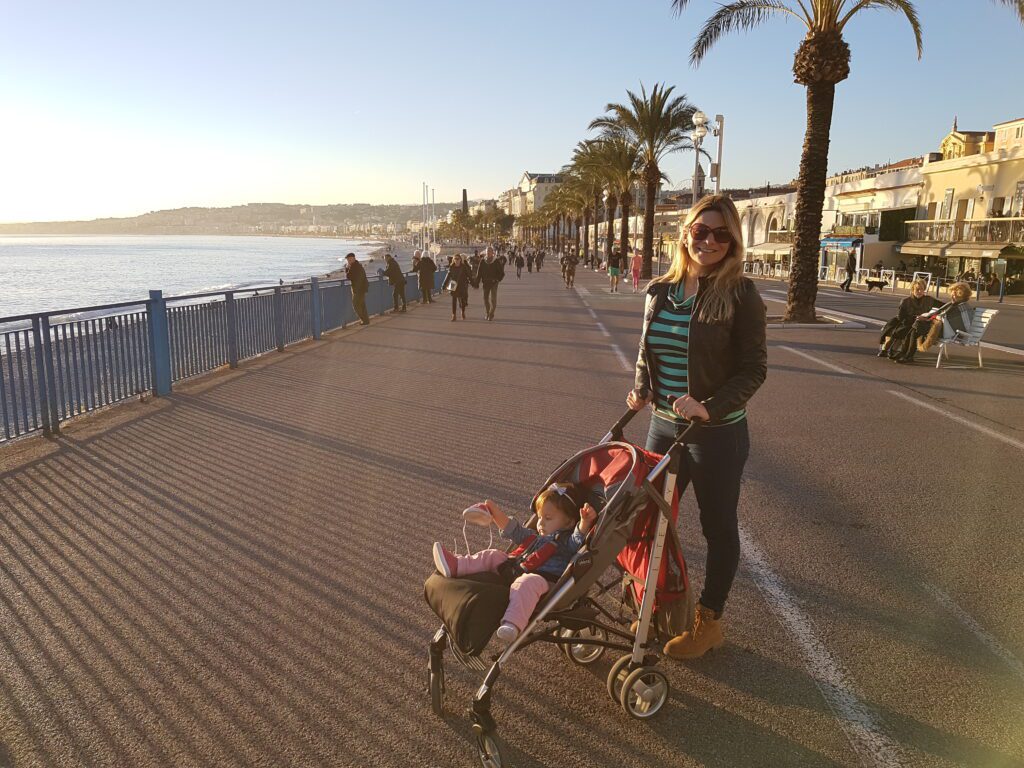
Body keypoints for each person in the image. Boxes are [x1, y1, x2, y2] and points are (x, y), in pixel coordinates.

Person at [626, 194, 767, 660]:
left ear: (733, 242)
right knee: (645, 519)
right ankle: (653, 605)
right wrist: (642, 385)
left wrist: (709, 406)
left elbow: (753, 369)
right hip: (663, 427)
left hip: (717, 433)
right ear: (685, 232)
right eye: (701, 230)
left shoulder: (741, 294)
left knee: (717, 527)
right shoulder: (660, 291)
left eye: (721, 234)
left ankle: (709, 622)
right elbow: (650, 351)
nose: (708, 241)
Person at [431, 484, 597, 644]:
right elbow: (513, 529)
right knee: (493, 555)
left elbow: (577, 541)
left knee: (526, 583)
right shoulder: (535, 536)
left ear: (568, 523)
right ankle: (457, 566)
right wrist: (493, 510)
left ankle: (513, 624)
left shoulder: (564, 542)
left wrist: (584, 523)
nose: (540, 523)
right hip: (516, 569)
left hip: (544, 581)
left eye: (548, 518)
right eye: (539, 517)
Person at [891, 281, 974, 363]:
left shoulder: (962, 306)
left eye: (955, 294)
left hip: (953, 333)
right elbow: (942, 315)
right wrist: (926, 318)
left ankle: (907, 354)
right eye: (952, 293)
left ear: (962, 295)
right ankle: (906, 354)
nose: (952, 296)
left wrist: (927, 319)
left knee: (917, 326)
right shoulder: (955, 304)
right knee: (915, 328)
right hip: (945, 328)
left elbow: (946, 318)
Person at [877, 279, 941, 358]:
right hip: (905, 321)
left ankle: (896, 351)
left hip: (921, 323)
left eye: (922, 289)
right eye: (917, 289)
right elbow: (901, 317)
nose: (920, 291)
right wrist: (915, 318)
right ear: (912, 290)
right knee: (898, 330)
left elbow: (943, 306)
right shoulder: (905, 301)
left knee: (910, 329)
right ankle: (886, 349)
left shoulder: (929, 300)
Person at [476, 245, 504, 321]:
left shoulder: (496, 261)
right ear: (485, 252)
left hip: (494, 283)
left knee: (493, 300)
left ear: (493, 253)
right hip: (485, 283)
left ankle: (491, 314)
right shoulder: (482, 261)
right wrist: (477, 282)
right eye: (487, 251)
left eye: (490, 251)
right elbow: (479, 273)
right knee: (485, 299)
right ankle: (488, 312)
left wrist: (497, 280)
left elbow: (501, 273)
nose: (488, 253)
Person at [344, 252, 370, 326]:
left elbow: (349, 277)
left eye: (349, 259)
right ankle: (366, 320)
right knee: (362, 305)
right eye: (348, 260)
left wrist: (347, 268)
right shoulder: (358, 265)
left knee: (355, 304)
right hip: (362, 288)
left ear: (353, 258)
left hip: (358, 289)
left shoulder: (354, 266)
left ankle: (364, 320)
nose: (348, 261)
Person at [446, 253, 472, 321]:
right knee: (453, 300)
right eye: (455, 259)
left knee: (463, 300)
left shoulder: (463, 267)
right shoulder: (451, 267)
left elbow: (469, 275)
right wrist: (443, 285)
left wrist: (472, 282)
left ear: (460, 260)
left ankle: (463, 312)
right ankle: (453, 315)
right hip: (453, 284)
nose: (456, 260)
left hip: (462, 285)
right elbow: (448, 276)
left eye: (458, 259)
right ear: (453, 260)